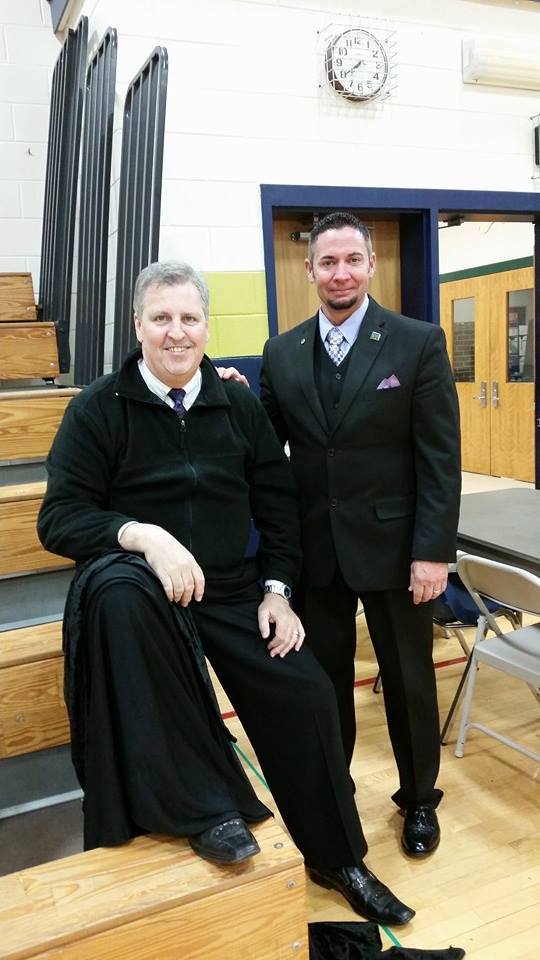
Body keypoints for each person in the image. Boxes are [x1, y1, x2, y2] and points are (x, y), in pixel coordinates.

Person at [37, 260, 415, 926]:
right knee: (118, 596)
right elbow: (59, 518)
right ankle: (205, 809)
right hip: (143, 595)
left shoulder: (237, 404)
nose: (176, 332)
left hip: (234, 588)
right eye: (162, 318)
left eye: (189, 318)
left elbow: (279, 507)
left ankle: (337, 857)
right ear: (138, 326)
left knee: (307, 692)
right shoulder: (97, 407)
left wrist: (277, 591)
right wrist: (141, 535)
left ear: (207, 327)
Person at [260, 212, 461, 859]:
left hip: (399, 554)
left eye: (352, 260)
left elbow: (439, 460)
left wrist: (433, 552)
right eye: (328, 262)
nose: (340, 273)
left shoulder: (417, 343)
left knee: (409, 683)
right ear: (309, 270)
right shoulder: (280, 353)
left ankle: (420, 799)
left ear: (371, 265)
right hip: (318, 553)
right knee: (323, 685)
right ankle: (333, 794)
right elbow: (264, 449)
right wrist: (227, 394)